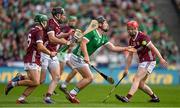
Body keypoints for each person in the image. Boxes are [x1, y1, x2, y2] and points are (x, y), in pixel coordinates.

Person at [65, 16, 136, 103]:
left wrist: (126, 48)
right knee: (89, 78)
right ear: (100, 25)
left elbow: (113, 48)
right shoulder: (92, 32)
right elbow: (83, 43)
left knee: (88, 78)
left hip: (81, 58)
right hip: (77, 56)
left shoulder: (103, 38)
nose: (107, 25)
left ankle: (72, 94)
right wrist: (87, 56)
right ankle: (72, 94)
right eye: (105, 23)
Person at [5, 14, 57, 104]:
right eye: (45, 21)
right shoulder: (39, 31)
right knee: (36, 82)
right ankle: (13, 84)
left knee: (37, 81)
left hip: (34, 57)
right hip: (32, 57)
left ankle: (21, 98)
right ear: (41, 22)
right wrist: (50, 53)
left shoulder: (34, 30)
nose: (46, 23)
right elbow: (40, 47)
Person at [115, 20, 168, 103]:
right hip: (142, 61)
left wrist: (161, 58)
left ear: (136, 28)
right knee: (141, 84)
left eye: (132, 29)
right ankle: (155, 98)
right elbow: (130, 55)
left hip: (149, 60)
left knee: (136, 78)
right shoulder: (131, 40)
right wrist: (126, 69)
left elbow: (153, 47)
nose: (130, 31)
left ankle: (127, 98)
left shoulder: (143, 37)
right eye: (128, 29)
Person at [40, 7, 73, 104]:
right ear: (58, 15)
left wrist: (68, 34)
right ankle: (20, 78)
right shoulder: (51, 23)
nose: (64, 16)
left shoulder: (57, 24)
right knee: (40, 81)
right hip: (45, 53)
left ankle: (47, 97)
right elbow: (52, 39)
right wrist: (66, 43)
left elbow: (58, 36)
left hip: (53, 53)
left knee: (57, 77)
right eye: (62, 14)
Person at [58, 16, 79, 94]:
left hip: (66, 53)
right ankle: (50, 92)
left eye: (75, 21)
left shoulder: (73, 30)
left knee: (75, 69)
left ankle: (63, 85)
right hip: (61, 52)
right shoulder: (65, 28)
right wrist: (69, 43)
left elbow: (71, 44)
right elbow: (60, 39)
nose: (73, 22)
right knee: (59, 74)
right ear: (68, 21)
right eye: (72, 21)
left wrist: (73, 42)